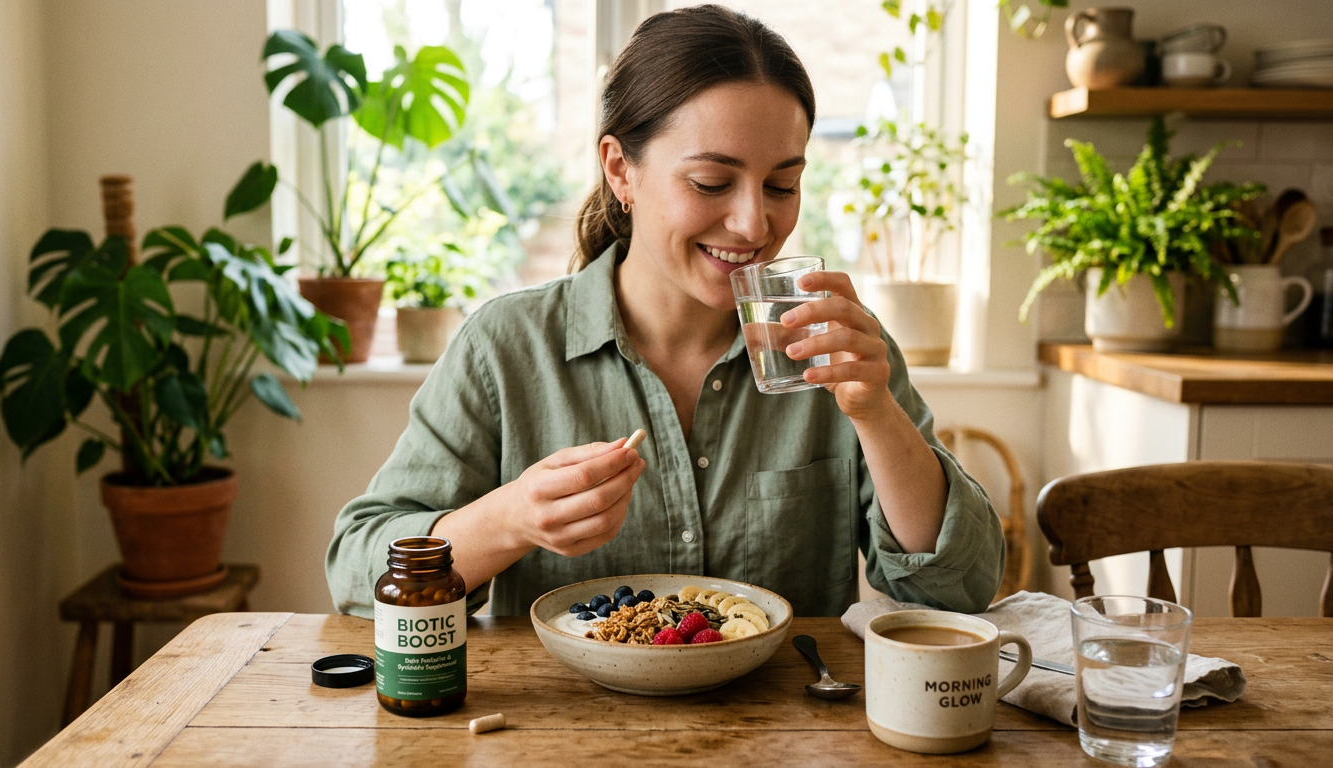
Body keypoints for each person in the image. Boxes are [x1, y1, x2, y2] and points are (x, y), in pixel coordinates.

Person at [326, 4, 1004, 619]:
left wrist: (877, 415)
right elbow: (356, 571)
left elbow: (958, 590)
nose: (753, 222)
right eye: (711, 182)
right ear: (621, 170)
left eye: (782, 184)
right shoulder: (507, 347)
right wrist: (508, 521)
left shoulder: (832, 345)